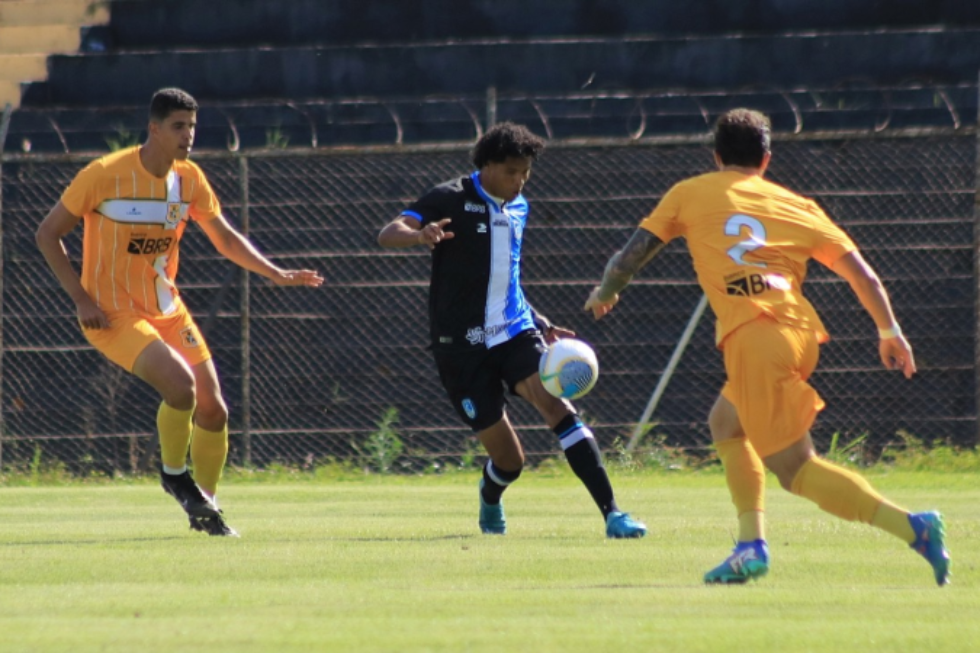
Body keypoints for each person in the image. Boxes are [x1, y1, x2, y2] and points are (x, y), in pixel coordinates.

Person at [584, 108, 951, 584]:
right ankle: (750, 544)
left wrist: (607, 291)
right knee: (726, 421)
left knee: (795, 470)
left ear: (717, 156)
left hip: (757, 337)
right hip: (798, 333)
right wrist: (889, 331)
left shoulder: (690, 192)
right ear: (766, 159)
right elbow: (863, 275)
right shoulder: (798, 204)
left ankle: (911, 527)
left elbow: (630, 256)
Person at [35, 87, 324, 536]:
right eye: (178, 126)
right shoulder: (104, 174)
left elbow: (225, 237)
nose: (188, 134)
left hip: (167, 308)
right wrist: (81, 298)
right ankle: (174, 475)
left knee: (214, 410)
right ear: (154, 128)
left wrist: (274, 272)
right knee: (181, 387)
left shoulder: (189, 179)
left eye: (192, 125)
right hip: (111, 314)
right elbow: (47, 234)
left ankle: (204, 506)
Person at [378, 121, 646, 538]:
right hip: (461, 349)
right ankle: (490, 497)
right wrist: (420, 235)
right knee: (510, 461)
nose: (520, 181)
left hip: (513, 331)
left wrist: (538, 321)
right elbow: (388, 233)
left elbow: (506, 276)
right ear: (486, 166)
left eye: (525, 172)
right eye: (511, 172)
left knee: (558, 406)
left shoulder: (519, 208)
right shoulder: (449, 198)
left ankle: (614, 514)